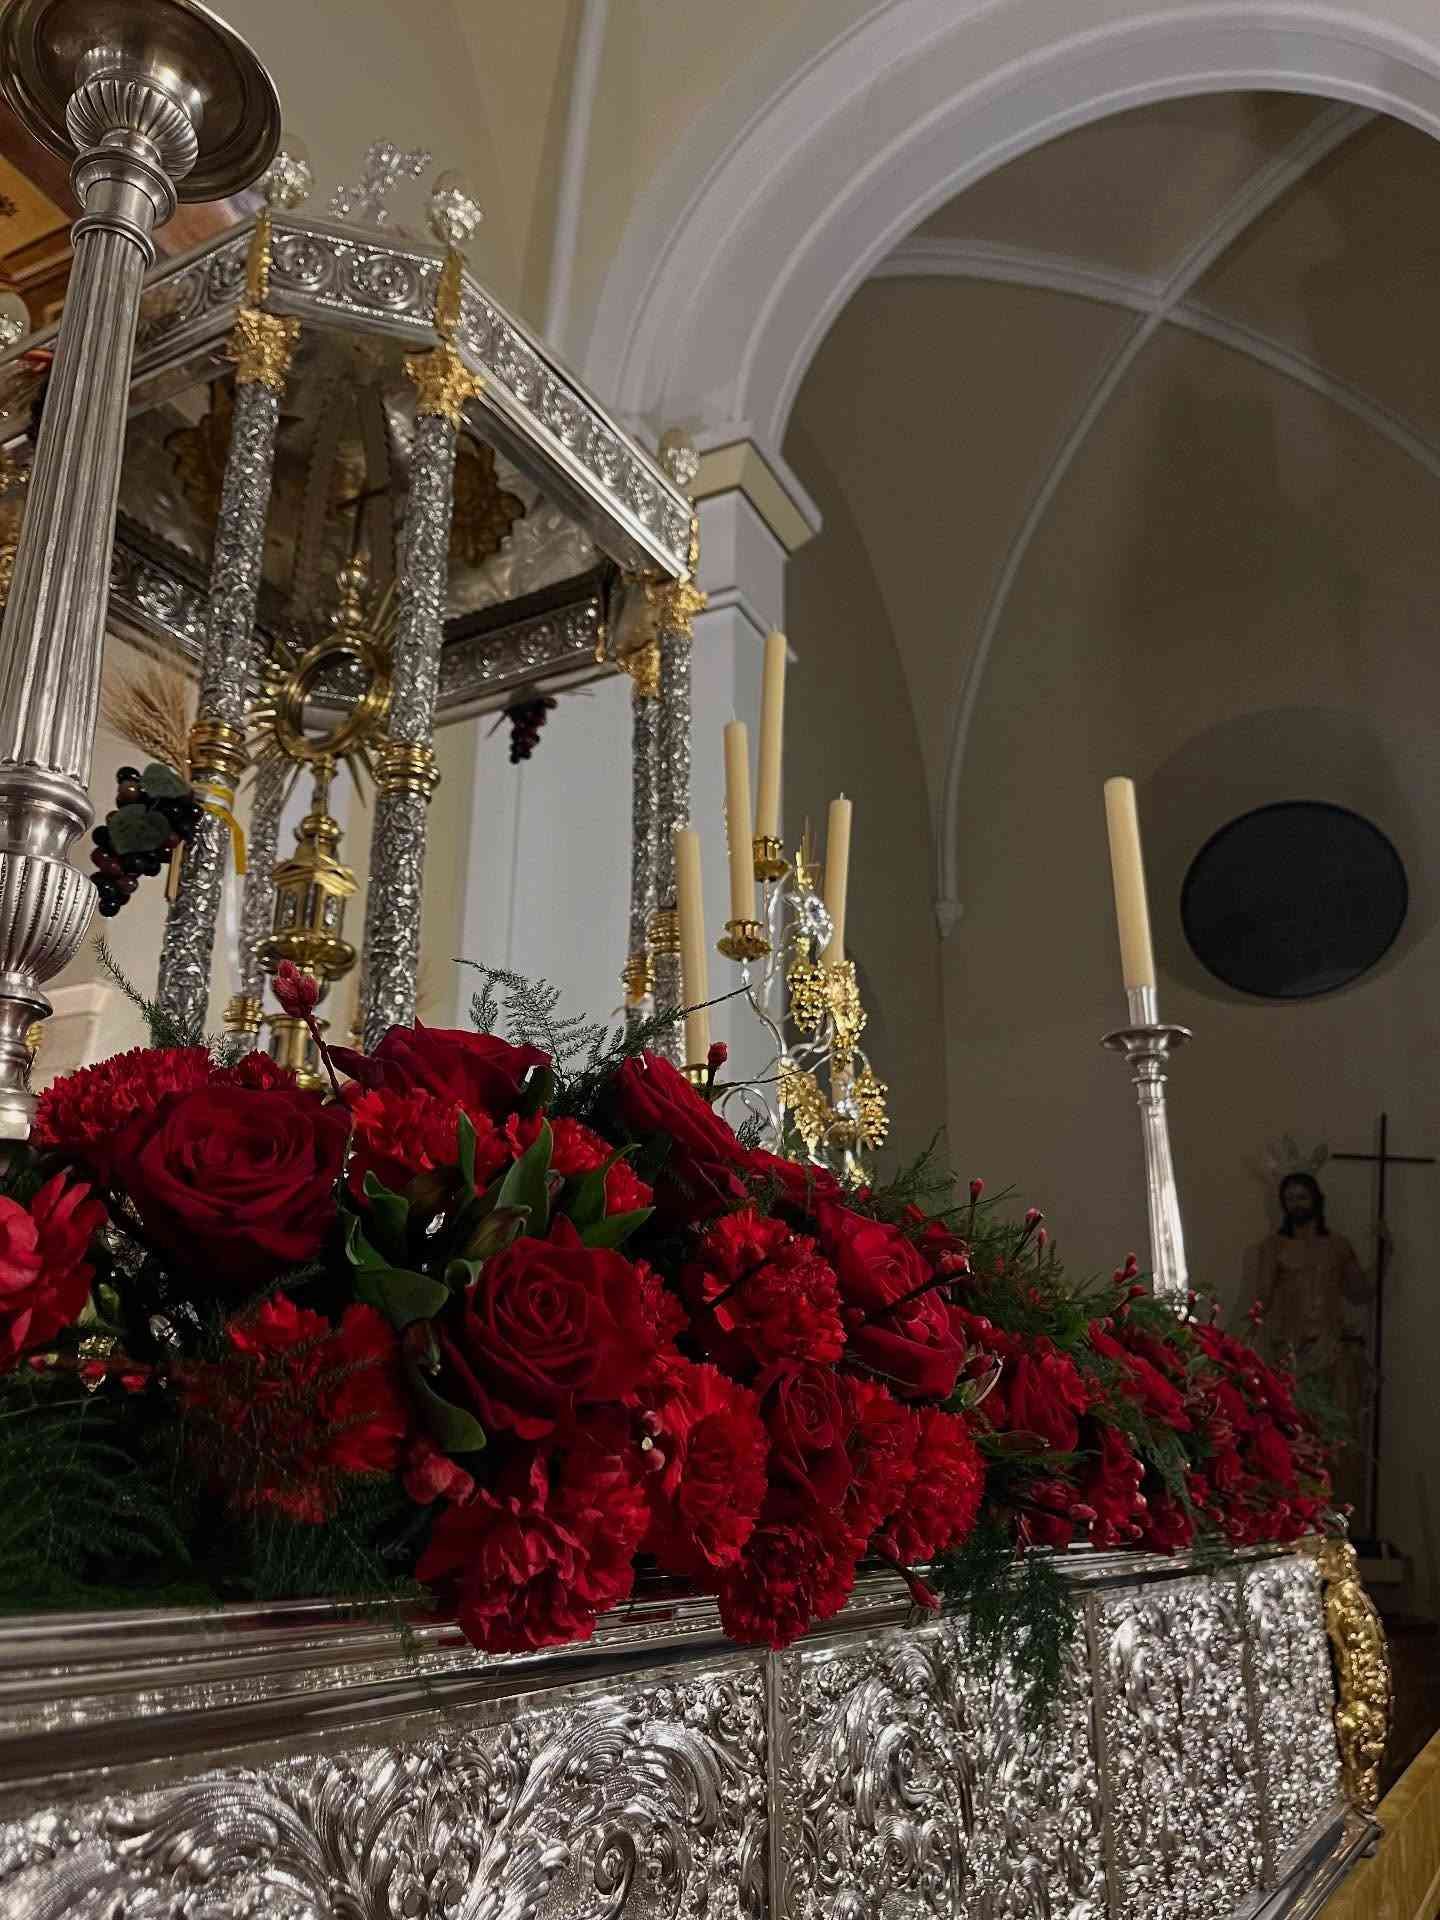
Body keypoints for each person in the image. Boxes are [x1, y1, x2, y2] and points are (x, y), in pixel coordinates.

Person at [1244, 1171, 1373, 1517]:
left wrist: (1384, 1253)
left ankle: (1338, 1512)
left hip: (1331, 1351)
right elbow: (1261, 1299)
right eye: (1290, 1199)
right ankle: (1301, 1515)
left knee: (1336, 1436)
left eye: (1302, 1196)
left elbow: (1360, 1292)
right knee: (1295, 1435)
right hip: (1291, 1354)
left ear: (1316, 1199)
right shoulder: (1275, 1247)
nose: (1296, 1204)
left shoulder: (1338, 1246)